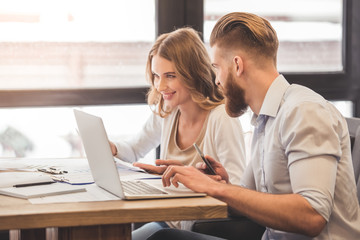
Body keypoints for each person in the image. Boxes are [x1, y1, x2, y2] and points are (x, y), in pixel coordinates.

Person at [149, 12, 360, 240]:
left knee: (163, 238)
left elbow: (312, 216)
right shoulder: (265, 120)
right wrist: (213, 182)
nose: (216, 80)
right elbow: (249, 203)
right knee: (161, 234)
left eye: (217, 68)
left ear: (237, 65)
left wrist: (219, 189)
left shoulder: (303, 111)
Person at [108, 27, 247, 239]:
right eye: (156, 75)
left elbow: (237, 189)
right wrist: (113, 148)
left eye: (170, 76)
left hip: (201, 228)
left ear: (193, 73)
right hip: (168, 222)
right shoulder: (168, 112)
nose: (161, 86)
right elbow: (135, 149)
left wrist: (189, 178)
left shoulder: (222, 118)